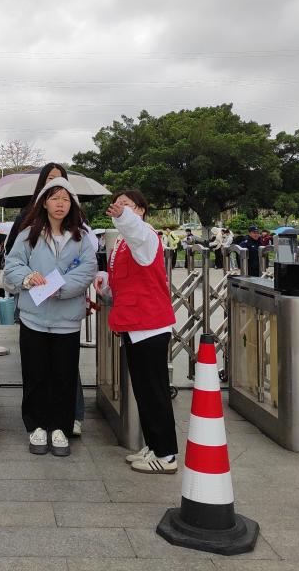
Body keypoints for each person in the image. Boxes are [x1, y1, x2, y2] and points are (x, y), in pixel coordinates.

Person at [4, 177, 98, 457]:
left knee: (64, 376)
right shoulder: (29, 234)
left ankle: (60, 427)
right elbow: (12, 264)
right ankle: (36, 426)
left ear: (72, 205)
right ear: (44, 202)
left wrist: (60, 288)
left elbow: (88, 269)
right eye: (55, 198)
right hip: (33, 318)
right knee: (35, 374)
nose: (60, 204)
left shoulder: (81, 237)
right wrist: (28, 277)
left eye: (65, 199)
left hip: (67, 322)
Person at [94, 189, 179, 473]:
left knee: (154, 391)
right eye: (117, 204)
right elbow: (125, 276)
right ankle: (155, 445)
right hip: (135, 323)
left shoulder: (145, 235)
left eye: (127, 204)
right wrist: (104, 279)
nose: (119, 207)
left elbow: (137, 236)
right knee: (144, 391)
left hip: (150, 324)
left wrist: (125, 217)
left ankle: (166, 455)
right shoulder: (123, 240)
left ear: (141, 210)